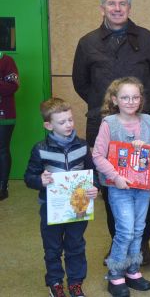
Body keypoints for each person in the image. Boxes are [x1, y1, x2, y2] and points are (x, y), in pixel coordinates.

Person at [72, 0, 150, 265]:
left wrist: (134, 107)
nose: (117, 8)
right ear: (102, 7)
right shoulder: (87, 42)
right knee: (112, 186)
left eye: (122, 3)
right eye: (111, 3)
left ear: (129, 7)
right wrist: (108, 107)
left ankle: (142, 243)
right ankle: (119, 241)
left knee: (143, 184)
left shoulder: (148, 39)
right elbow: (81, 83)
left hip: (141, 123)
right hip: (103, 122)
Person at [24, 98, 99, 297]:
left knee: (76, 245)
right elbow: (29, 177)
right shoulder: (40, 149)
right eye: (62, 122)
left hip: (78, 208)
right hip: (51, 208)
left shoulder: (82, 146)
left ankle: (75, 282)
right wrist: (39, 179)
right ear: (49, 125)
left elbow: (93, 174)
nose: (68, 125)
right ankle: (55, 282)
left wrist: (95, 188)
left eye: (70, 120)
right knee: (53, 247)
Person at [92, 77, 150, 297]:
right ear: (114, 99)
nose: (131, 101)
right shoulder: (109, 123)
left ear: (141, 99)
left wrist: (146, 147)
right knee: (125, 230)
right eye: (125, 97)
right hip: (119, 187)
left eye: (135, 97)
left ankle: (132, 270)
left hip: (143, 186)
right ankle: (115, 274)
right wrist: (115, 176)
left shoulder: (147, 120)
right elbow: (98, 155)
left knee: (139, 229)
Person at [0, 52, 19, 200]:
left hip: (4, 115)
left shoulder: (6, 60)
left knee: (2, 150)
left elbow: (12, 86)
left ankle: (2, 187)